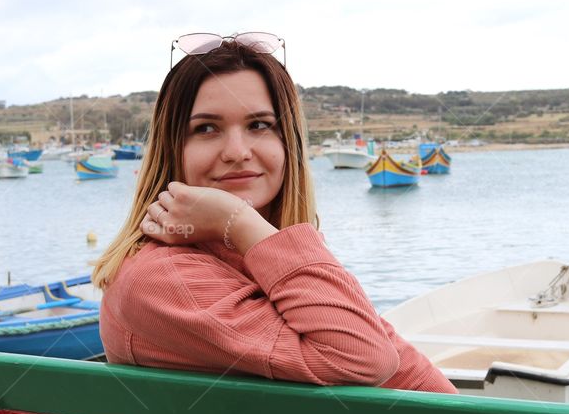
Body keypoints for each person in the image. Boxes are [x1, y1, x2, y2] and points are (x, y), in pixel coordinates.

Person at [93, 33, 456, 394]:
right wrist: (237, 220)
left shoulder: (252, 255)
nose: (237, 151)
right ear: (172, 148)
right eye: (206, 128)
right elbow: (365, 358)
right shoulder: (160, 277)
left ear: (288, 143)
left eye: (259, 125)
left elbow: (401, 364)